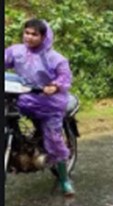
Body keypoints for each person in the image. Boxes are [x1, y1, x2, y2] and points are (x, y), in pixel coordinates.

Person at [4, 18, 75, 196]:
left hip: (48, 102)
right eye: (26, 33)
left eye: (34, 34)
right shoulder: (16, 51)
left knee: (54, 139)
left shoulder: (55, 58)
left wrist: (54, 86)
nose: (29, 37)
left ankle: (65, 179)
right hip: (23, 97)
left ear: (44, 37)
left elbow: (65, 77)